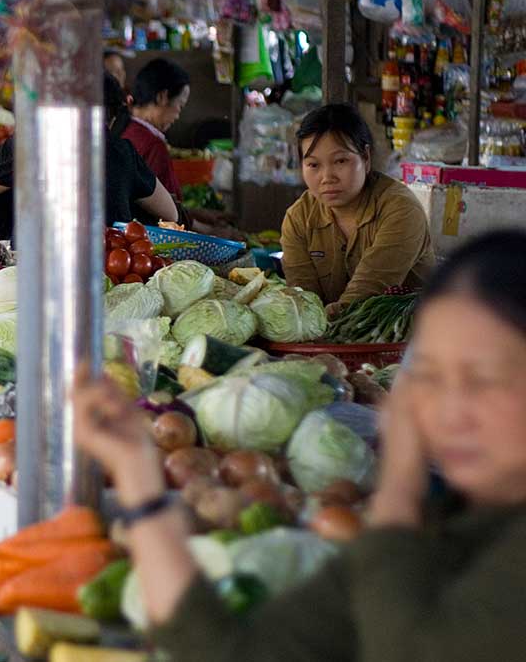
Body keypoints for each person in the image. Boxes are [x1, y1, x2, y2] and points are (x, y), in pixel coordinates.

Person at [70, 229, 526, 662]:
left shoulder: (421, 527)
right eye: (428, 375)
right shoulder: (445, 524)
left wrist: (398, 491)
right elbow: (235, 654)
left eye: (484, 379)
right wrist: (138, 480)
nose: (450, 410)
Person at [0, 74, 178, 244]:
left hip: (36, 275)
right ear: (113, 117)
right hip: (112, 271)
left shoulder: (29, 144)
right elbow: (171, 213)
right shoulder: (122, 150)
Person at [281, 104, 435, 315]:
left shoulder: (401, 209)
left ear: (366, 158)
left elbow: (366, 295)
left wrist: (318, 325)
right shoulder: (298, 219)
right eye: (314, 165)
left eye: (340, 161)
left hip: (407, 339)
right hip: (330, 338)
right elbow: (303, 302)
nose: (327, 178)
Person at [122, 58, 189, 202]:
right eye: (180, 106)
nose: (177, 116)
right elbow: (169, 215)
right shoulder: (153, 146)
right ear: (162, 97)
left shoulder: (124, 127)